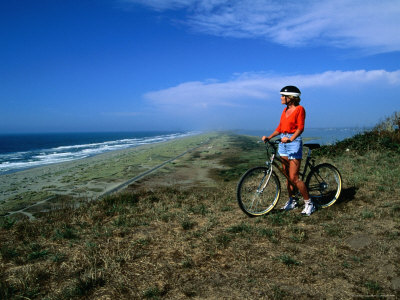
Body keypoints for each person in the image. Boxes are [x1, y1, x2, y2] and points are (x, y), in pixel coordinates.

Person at [262, 85, 315, 216]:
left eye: (283, 96)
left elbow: (300, 128)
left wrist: (291, 139)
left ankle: (309, 203)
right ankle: (292, 200)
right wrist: (269, 136)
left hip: (293, 143)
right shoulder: (285, 111)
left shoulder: (300, 109)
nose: (281, 98)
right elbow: (280, 128)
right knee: (287, 177)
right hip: (283, 142)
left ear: (290, 98)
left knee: (294, 178)